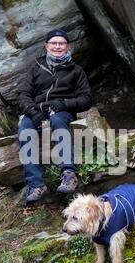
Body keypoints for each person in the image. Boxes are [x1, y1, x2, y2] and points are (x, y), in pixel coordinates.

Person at [18, 28, 92, 204]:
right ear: (46, 46)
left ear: (67, 46)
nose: (57, 46)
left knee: (58, 121)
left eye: (61, 43)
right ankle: (36, 185)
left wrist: (64, 104)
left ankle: (69, 174)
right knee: (24, 129)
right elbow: (23, 94)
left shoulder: (76, 70)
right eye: (53, 43)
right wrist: (33, 111)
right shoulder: (36, 67)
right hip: (38, 110)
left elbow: (86, 98)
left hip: (62, 111)